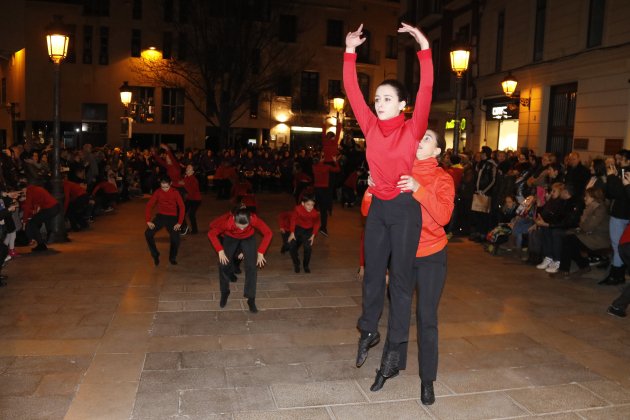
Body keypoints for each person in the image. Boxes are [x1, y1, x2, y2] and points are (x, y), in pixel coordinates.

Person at [344, 22, 433, 369]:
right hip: (379, 208)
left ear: (402, 105)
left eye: (386, 99)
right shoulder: (369, 126)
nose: (379, 103)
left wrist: (424, 46)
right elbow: (352, 91)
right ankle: (368, 330)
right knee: (372, 273)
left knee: (400, 280)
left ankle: (396, 342)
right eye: (377, 99)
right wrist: (350, 51)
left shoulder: (413, 129)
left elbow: (427, 87)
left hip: (405, 209)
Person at [363, 130, 454, 405]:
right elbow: (369, 213)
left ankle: (427, 380)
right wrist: (371, 189)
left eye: (427, 139)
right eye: (419, 137)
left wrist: (418, 188)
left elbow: (443, 216)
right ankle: (389, 367)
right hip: (401, 254)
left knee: (427, 317)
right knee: (397, 313)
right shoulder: (397, 172)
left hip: (431, 256)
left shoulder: (442, 178)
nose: (419, 141)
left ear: (437, 151)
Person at [207, 207, 272, 313]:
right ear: (234, 219)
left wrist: (261, 252)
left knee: (252, 267)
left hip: (248, 238)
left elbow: (268, 233)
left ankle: (251, 299)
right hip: (231, 238)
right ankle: (225, 292)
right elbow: (211, 234)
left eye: (244, 226)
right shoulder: (228, 223)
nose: (241, 229)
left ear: (249, 220)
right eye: (239, 226)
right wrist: (220, 251)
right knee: (223, 265)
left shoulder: (253, 219)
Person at [551, 187, 609, 277]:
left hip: (599, 239)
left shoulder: (599, 209)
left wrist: (584, 217)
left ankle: (564, 269)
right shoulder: (592, 207)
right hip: (592, 236)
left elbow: (587, 227)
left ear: (593, 197)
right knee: (568, 238)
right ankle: (584, 266)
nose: (584, 198)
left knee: (569, 240)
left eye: (587, 196)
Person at [145, 175, 185, 266]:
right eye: (162, 187)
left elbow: (182, 207)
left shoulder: (175, 192)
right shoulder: (158, 192)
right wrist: (148, 220)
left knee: (175, 238)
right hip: (161, 217)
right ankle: (155, 254)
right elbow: (149, 205)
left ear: (170, 184)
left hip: (172, 218)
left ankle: (172, 257)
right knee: (148, 233)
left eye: (166, 187)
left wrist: (179, 222)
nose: (164, 189)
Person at [20, 183, 61, 252]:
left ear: (25, 188)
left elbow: (27, 208)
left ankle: (41, 244)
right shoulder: (36, 188)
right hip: (55, 207)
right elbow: (37, 204)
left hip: (50, 208)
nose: (23, 193)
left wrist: (24, 222)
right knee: (41, 219)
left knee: (32, 222)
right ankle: (50, 233)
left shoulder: (29, 191)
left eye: (23, 192)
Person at [289, 194, 320, 273]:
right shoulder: (297, 209)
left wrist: (313, 235)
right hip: (298, 228)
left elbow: (317, 223)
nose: (310, 207)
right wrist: (292, 232)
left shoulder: (315, 213)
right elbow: (293, 220)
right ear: (303, 204)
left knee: (308, 248)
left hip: (308, 230)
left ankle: (306, 265)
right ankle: (296, 263)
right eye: (308, 204)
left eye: (312, 205)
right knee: (292, 246)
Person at [182, 164, 201, 234]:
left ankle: (195, 230)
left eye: (189, 168)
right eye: (187, 167)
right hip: (190, 199)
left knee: (191, 214)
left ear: (192, 172)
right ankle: (185, 227)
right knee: (181, 212)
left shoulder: (194, 180)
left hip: (196, 200)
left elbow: (191, 191)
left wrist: (183, 185)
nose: (187, 168)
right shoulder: (185, 178)